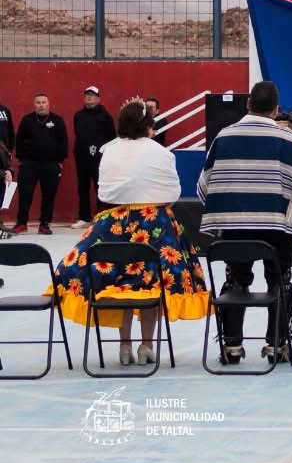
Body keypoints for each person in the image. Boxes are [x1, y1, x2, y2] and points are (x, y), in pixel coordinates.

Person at [46, 99, 208, 365]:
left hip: (115, 221)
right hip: (155, 221)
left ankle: (124, 345)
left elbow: (104, 191)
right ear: (148, 126)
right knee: (151, 282)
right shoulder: (162, 153)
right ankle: (147, 344)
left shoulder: (109, 151)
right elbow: (173, 192)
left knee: (119, 282)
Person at [198, 81, 292, 365]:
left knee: (235, 279)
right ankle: (278, 345)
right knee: (280, 281)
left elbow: (204, 186)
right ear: (276, 110)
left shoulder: (222, 137)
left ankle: (232, 346)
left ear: (247, 104)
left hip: (234, 228)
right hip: (275, 227)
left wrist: (227, 214)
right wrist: (287, 222)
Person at [13, 93, 68, 235]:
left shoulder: (57, 120)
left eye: (44, 102)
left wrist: (59, 161)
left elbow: (63, 142)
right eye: (38, 102)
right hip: (29, 165)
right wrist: (21, 160)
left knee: (49, 195)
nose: (41, 105)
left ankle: (44, 224)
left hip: (51, 165)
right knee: (25, 194)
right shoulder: (27, 120)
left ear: (49, 104)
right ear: (34, 104)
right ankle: (21, 223)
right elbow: (19, 140)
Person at [72, 86, 116, 229]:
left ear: (98, 98)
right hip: (82, 158)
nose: (89, 98)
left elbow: (111, 138)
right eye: (87, 95)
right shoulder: (78, 116)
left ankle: (100, 216)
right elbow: (78, 135)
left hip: (100, 159)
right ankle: (84, 217)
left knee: (100, 187)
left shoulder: (105, 116)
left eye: (92, 95)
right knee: (82, 188)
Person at [0, 98, 13, 234]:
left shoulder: (4, 111)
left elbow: (11, 133)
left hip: (2, 154)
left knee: (1, 189)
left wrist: (8, 154)